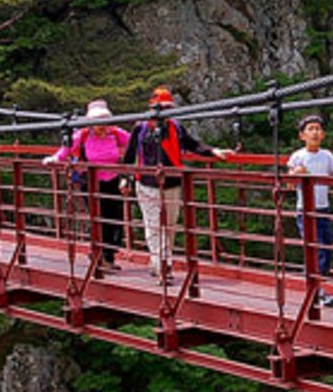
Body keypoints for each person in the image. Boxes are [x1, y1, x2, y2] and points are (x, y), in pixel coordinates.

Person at [129, 87, 232, 280]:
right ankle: (164, 265)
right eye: (160, 107)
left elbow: (193, 145)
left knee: (169, 225)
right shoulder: (141, 128)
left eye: (167, 108)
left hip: (173, 182)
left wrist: (213, 151)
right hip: (147, 182)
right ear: (152, 107)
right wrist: (125, 177)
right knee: (153, 225)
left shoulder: (175, 127)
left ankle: (158, 260)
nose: (164, 112)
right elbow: (130, 154)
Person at [45, 100, 132, 272]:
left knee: (115, 218)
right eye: (97, 121)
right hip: (91, 182)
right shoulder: (83, 135)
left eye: (104, 120)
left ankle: (108, 255)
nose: (101, 125)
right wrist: (54, 159)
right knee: (99, 218)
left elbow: (134, 143)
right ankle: (99, 255)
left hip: (113, 180)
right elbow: (66, 149)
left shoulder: (115, 133)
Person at [285, 114, 333, 306]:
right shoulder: (298, 156)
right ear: (302, 135)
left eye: (318, 129)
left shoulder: (327, 156)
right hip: (306, 211)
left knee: (326, 249)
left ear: (323, 134)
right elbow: (289, 186)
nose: (315, 132)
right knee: (317, 250)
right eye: (311, 129)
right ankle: (318, 292)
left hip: (323, 209)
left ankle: (317, 287)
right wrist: (296, 175)